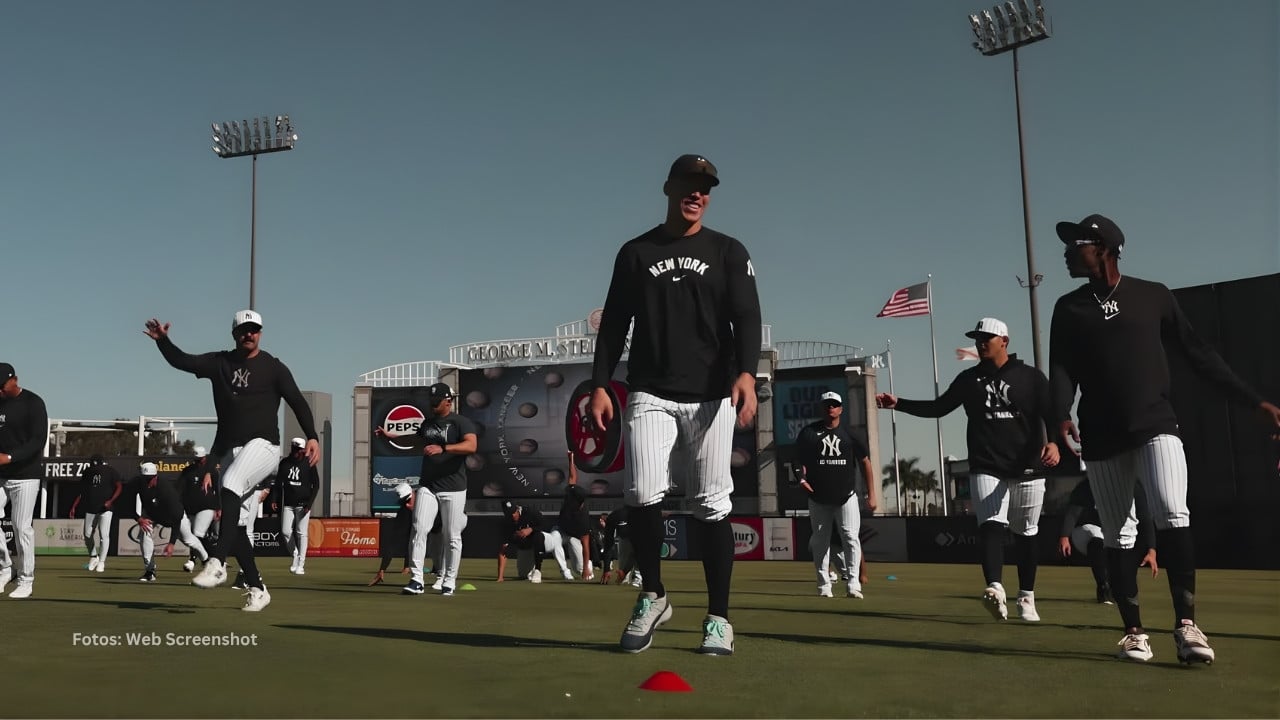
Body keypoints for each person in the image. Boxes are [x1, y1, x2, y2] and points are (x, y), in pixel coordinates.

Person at [1049, 213, 1280, 663]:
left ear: (1104, 247)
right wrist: (1059, 414)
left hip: (1156, 422)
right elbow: (1060, 369)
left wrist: (1255, 402)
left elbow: (1199, 354)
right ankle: (1135, 633)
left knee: (1173, 512)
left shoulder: (1152, 296)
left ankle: (1188, 628)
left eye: (1075, 243)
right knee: (1118, 534)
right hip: (1101, 433)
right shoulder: (1068, 308)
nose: (1065, 251)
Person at [590, 154, 762, 655]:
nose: (697, 193)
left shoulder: (728, 251)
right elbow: (616, 322)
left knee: (712, 504)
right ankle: (654, 595)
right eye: (689, 183)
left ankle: (719, 618)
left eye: (705, 186)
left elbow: (747, 316)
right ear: (669, 187)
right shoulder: (636, 252)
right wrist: (601, 383)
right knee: (642, 490)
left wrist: (747, 373)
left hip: (712, 395)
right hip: (650, 390)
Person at [878, 317, 1060, 622]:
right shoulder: (968, 380)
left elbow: (1051, 413)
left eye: (987, 337)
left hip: (1027, 465)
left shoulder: (1030, 377)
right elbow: (938, 408)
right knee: (990, 525)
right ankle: (995, 588)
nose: (981, 342)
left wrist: (1053, 443)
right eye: (978, 338)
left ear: (1004, 341)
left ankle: (1026, 597)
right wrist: (899, 403)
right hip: (986, 464)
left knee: (1026, 533)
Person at [144, 310, 320, 613]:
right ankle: (257, 588)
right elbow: (183, 361)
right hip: (233, 452)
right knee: (235, 525)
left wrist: (312, 435)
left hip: (264, 447)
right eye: (243, 330)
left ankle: (218, 563)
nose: (248, 334)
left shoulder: (274, 368)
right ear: (234, 333)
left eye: (253, 330)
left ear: (261, 333)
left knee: (231, 484)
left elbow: (297, 401)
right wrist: (163, 341)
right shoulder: (220, 363)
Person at [374, 382, 477, 597]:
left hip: (454, 487)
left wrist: (444, 448)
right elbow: (415, 439)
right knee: (419, 528)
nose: (432, 405)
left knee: (452, 535)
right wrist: (391, 436)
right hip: (428, 485)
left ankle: (449, 580)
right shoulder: (427, 423)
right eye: (430, 401)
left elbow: (471, 446)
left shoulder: (461, 422)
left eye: (436, 401)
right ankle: (416, 579)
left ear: (448, 401)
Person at [792, 391, 879, 599]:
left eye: (834, 404)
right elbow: (797, 460)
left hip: (846, 496)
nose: (830, 408)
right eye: (827, 404)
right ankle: (824, 586)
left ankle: (853, 584)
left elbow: (865, 462)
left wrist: (872, 494)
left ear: (841, 408)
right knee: (820, 542)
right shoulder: (809, 433)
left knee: (850, 537)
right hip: (818, 497)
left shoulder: (851, 434)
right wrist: (801, 480)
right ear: (821, 408)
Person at [1059, 475, 1158, 604]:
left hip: (1117, 534)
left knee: (1123, 585)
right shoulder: (1091, 483)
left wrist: (1152, 549)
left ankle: (1114, 589)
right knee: (1096, 538)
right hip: (1086, 531)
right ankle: (1103, 587)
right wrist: (1064, 535)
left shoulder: (1133, 485)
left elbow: (1145, 517)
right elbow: (1073, 512)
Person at [0, 363, 48, 599]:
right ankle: (4, 568)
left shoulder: (33, 403)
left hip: (25, 475)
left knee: (21, 527)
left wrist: (9, 458)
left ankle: (26, 579)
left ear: (14, 380)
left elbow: (38, 441)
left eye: (1, 386)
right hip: (1, 475)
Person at [135, 462, 210, 582]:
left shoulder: (166, 490)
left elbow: (177, 517)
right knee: (145, 534)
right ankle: (150, 571)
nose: (146, 482)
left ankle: (206, 560)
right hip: (152, 514)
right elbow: (128, 499)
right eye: (144, 479)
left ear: (155, 476)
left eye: (149, 479)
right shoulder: (138, 483)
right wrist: (138, 518)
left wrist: (171, 543)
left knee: (188, 539)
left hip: (175, 516)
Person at [271, 438, 320, 575]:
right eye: (294, 449)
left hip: (303, 504)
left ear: (303, 450)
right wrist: (274, 499)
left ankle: (301, 564)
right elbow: (277, 483)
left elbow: (316, 485)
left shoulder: (309, 463)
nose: (295, 452)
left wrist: (309, 503)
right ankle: (295, 554)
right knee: (286, 531)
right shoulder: (285, 463)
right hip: (288, 503)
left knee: (301, 533)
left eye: (298, 450)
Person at [496, 501, 574, 583]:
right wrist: (500, 577)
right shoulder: (506, 524)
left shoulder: (529, 512)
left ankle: (540, 570)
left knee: (540, 536)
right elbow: (503, 550)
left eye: (514, 512)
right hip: (527, 547)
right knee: (523, 575)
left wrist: (530, 529)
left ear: (517, 509)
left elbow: (544, 524)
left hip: (546, 540)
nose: (512, 515)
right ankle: (533, 569)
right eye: (509, 513)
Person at [69, 454, 123, 573]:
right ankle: (93, 557)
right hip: (91, 507)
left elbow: (119, 486)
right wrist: (74, 506)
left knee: (104, 535)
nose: (94, 467)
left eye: (96, 465)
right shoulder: (88, 472)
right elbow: (82, 491)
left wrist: (111, 500)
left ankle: (102, 562)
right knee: (87, 534)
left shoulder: (110, 471)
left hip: (105, 508)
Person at [179, 447, 220, 573]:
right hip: (190, 507)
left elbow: (218, 490)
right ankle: (211, 557)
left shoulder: (212, 471)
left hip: (206, 506)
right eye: (197, 459)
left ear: (205, 458)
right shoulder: (187, 471)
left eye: (201, 459)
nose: (199, 461)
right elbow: (180, 489)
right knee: (191, 536)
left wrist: (219, 507)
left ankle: (193, 560)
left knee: (198, 534)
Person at [370, 483, 415, 587]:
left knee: (405, 543)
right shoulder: (407, 505)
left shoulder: (409, 505)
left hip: (410, 521)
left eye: (398, 494)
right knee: (408, 543)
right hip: (407, 520)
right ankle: (404, 568)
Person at [558, 450, 593, 580]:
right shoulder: (570, 494)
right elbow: (573, 477)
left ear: (580, 504)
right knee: (553, 539)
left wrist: (585, 570)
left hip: (574, 537)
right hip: (561, 531)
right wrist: (571, 459)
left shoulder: (583, 519)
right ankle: (564, 571)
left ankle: (587, 566)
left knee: (579, 570)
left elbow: (586, 545)